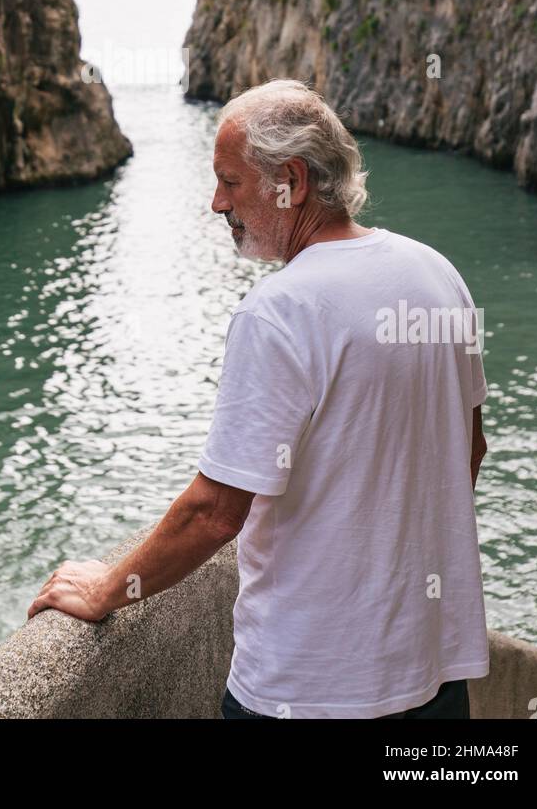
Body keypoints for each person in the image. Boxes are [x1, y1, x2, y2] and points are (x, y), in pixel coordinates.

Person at [27, 78, 490, 720]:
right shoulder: (439, 276)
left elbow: (216, 511)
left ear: (291, 182)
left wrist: (108, 586)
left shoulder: (280, 311)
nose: (216, 203)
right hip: (435, 676)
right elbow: (468, 451)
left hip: (308, 689)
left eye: (229, 181)